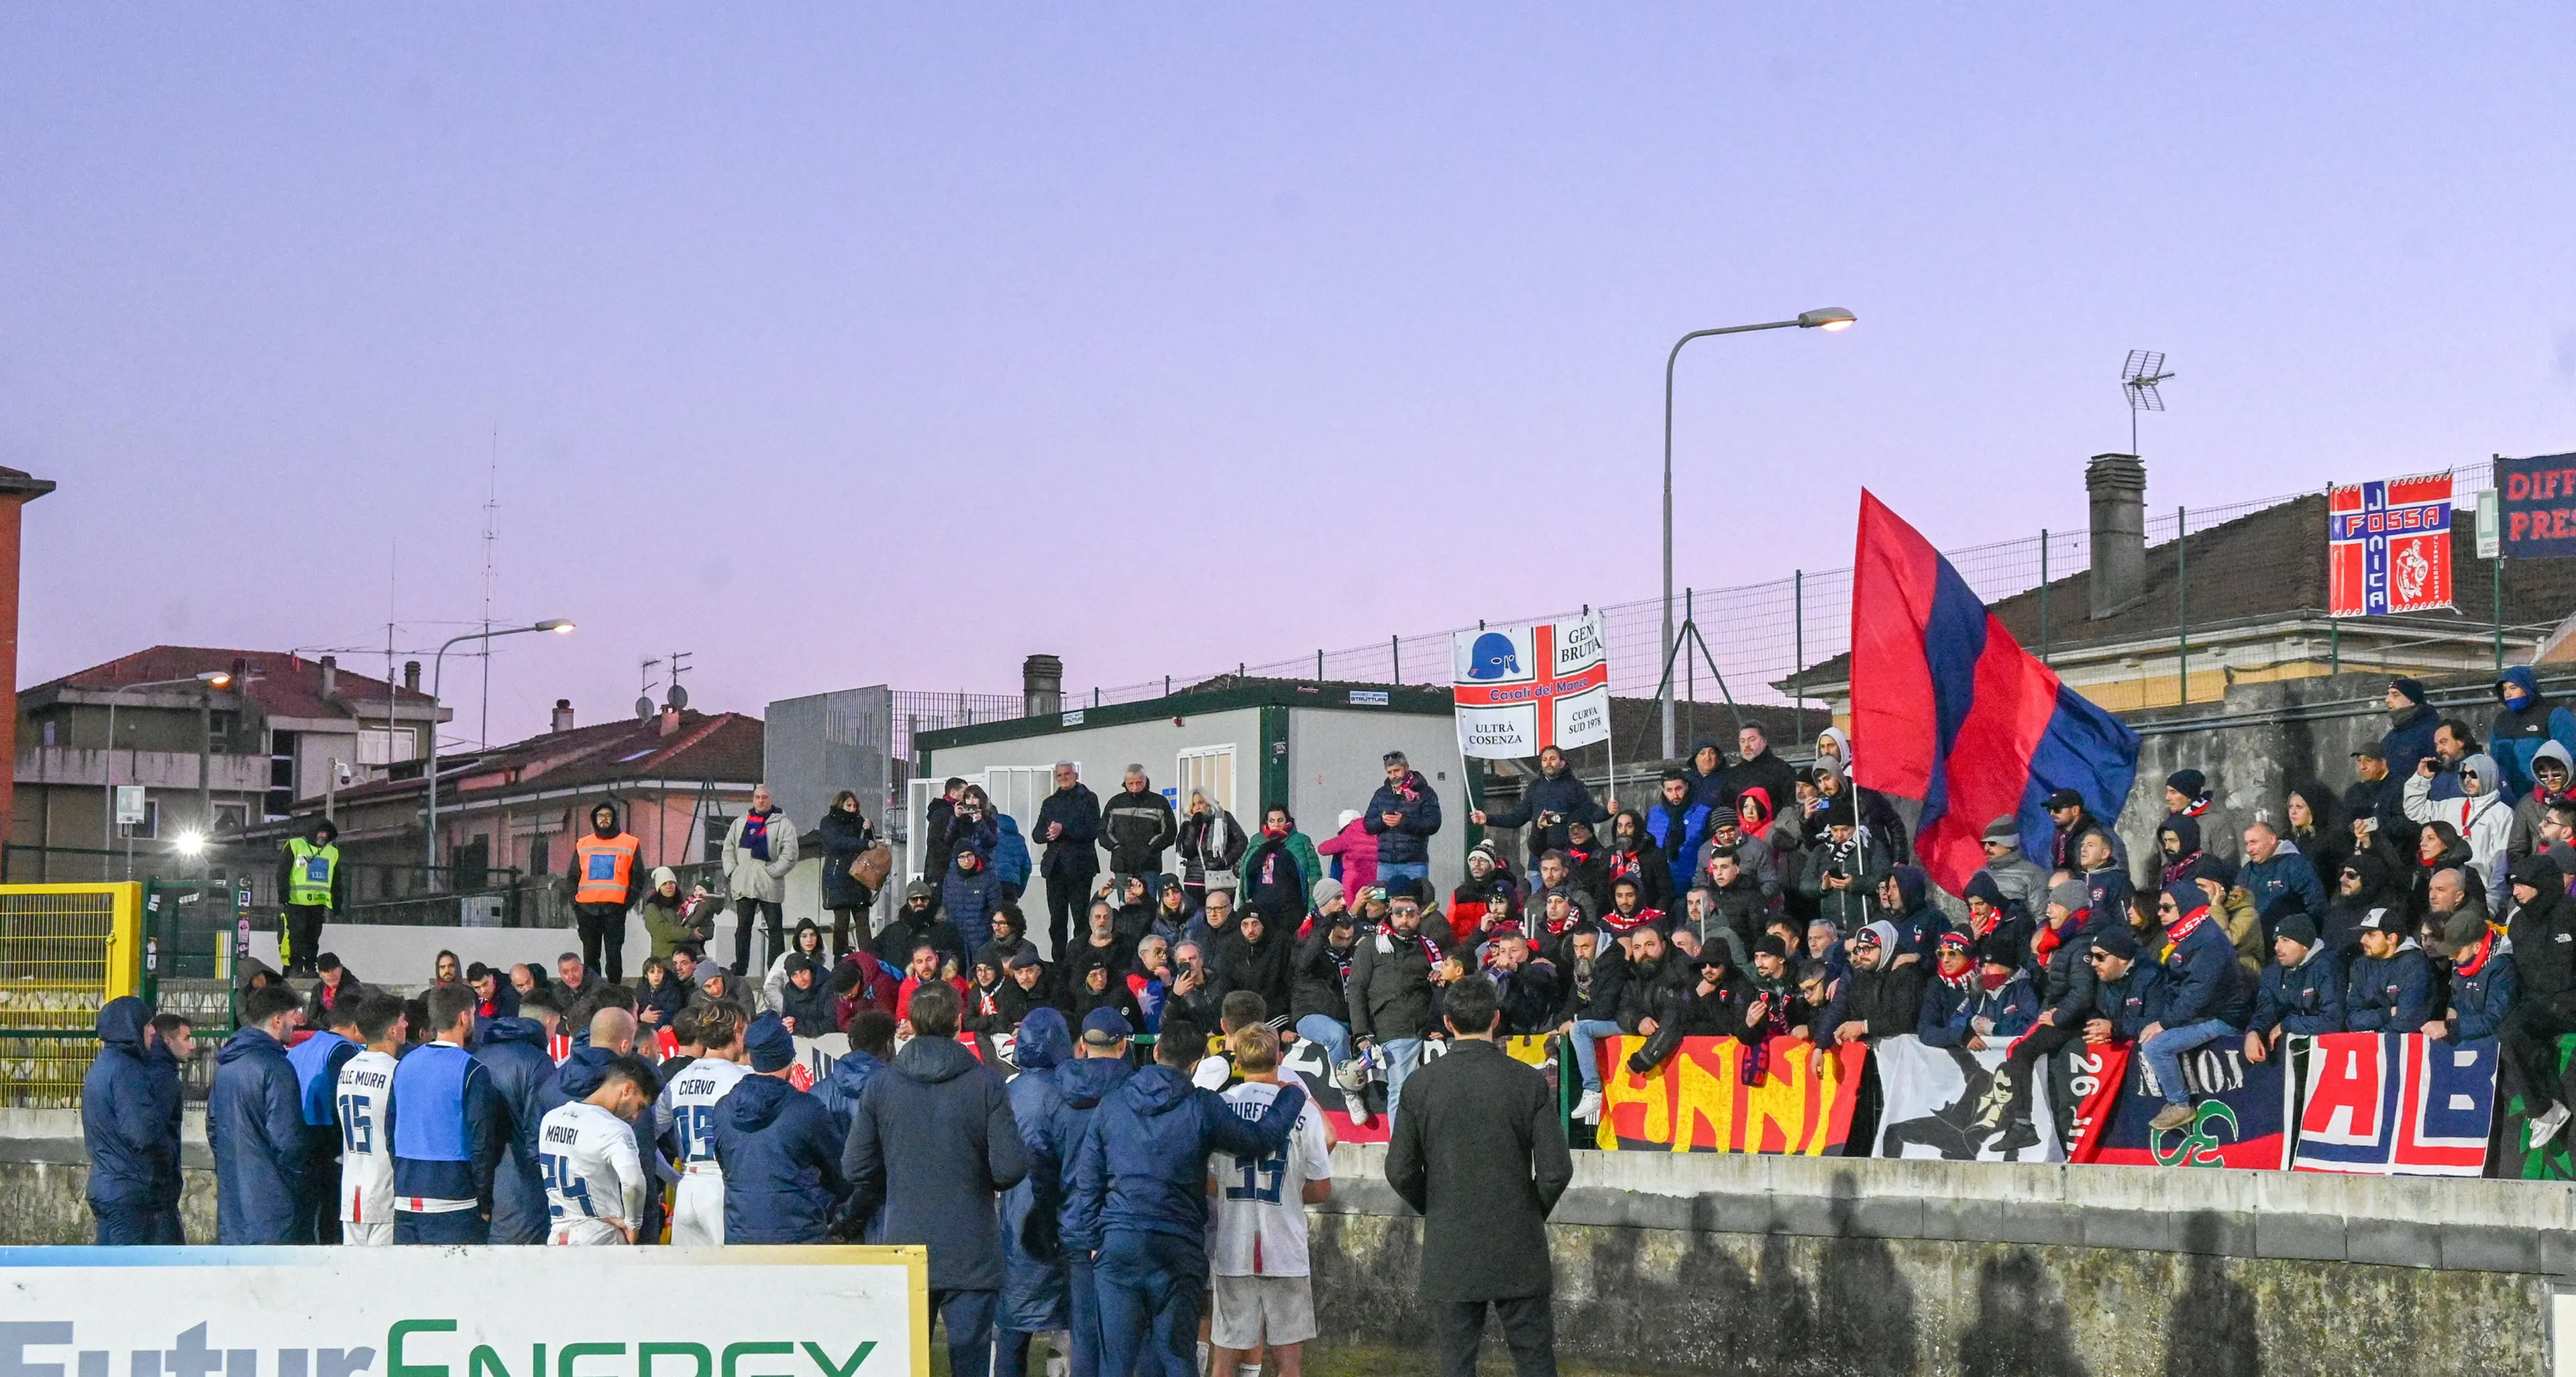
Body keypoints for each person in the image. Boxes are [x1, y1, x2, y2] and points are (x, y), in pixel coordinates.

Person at [1067, 1014, 1310, 1377]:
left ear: (1155, 1052)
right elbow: (1260, 1140)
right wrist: (1291, 1096)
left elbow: (1088, 1179)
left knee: (1115, 1361)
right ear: (1195, 1064)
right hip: (1176, 1243)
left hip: (1121, 1238)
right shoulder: (1202, 1105)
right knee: (1176, 1355)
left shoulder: (1113, 1103)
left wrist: (1090, 1239)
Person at [1385, 975, 1571, 1377]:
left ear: (1448, 1023)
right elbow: (1557, 1171)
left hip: (1451, 1242)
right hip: (1518, 1243)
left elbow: (1399, 1171)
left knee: (1457, 1363)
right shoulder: (1527, 1081)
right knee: (1536, 1360)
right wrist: (1528, 1211)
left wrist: (1435, 1205)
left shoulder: (1420, 1085)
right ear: (1497, 1019)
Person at [843, 981, 1026, 1377]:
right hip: (970, 1246)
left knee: (905, 1364)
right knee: (969, 1363)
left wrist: (899, 1170)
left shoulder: (882, 1084)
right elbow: (1010, 1168)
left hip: (906, 1242)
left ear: (909, 1024)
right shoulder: (985, 1083)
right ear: (959, 1021)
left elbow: (855, 1168)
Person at [1208, 1024, 1334, 1377]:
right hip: (1286, 1246)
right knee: (1288, 1364)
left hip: (1234, 1243)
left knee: (1224, 1362)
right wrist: (1288, 1192)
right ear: (1279, 1057)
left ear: (1237, 1059)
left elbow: (1206, 1180)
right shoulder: (1302, 1112)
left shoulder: (1222, 1106)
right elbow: (1322, 1188)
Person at [1040, 1009, 1138, 1377]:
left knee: (1084, 1331)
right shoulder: (1132, 1091)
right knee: (1129, 1331)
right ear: (1123, 1044)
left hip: (1075, 1219)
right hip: (1120, 1221)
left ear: (1082, 1045)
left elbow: (1045, 1162)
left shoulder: (1058, 1092)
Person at [388, 983, 508, 1244]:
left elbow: (390, 1129)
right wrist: (484, 1202)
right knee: (456, 1283)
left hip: (407, 1195)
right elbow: (482, 1143)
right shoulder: (472, 1070)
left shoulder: (404, 1065)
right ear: (465, 1017)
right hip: (455, 1199)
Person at [711, 1013, 847, 1244]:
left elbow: (727, 1166)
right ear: (790, 1059)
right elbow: (839, 1171)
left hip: (741, 1233)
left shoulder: (723, 1108)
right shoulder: (807, 1108)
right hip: (798, 1234)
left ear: (751, 1058)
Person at [2138, 883, 2255, 1132]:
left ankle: (2180, 1104)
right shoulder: (2185, 935)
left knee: (2156, 1046)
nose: (2159, 913)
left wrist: (2164, 1024)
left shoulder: (2209, 942)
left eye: (2166, 908)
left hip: (2224, 1018)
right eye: (2160, 907)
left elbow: (2197, 994)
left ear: (2186, 908)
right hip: (2202, 1013)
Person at [996, 1009, 1072, 1377]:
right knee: (1074, 1328)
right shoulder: (1073, 1092)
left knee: (1014, 1329)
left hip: (1015, 1225)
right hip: (1066, 1220)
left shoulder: (1004, 1094)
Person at [81, 996, 186, 1245]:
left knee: (112, 1271)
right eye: (147, 1025)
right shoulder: (128, 1070)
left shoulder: (104, 1065)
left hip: (111, 1187)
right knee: (128, 1276)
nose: (153, 1031)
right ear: (131, 1028)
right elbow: (141, 1133)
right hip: (130, 1193)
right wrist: (166, 1149)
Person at [209, 983, 307, 1244]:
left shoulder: (226, 1064)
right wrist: (296, 1179)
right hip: (273, 1203)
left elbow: (213, 1127)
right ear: (277, 1020)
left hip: (233, 1200)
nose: (295, 1023)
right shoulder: (277, 1067)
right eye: (291, 1016)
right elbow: (287, 1141)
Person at [536, 1052, 655, 1244]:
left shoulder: (552, 1118)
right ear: (627, 1089)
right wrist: (633, 1224)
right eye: (640, 1106)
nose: (636, 1116)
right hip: (601, 1237)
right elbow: (633, 1182)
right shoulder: (613, 1128)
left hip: (559, 1235)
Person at [1348, 890, 1444, 1127]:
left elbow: (1446, 986)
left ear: (1420, 916)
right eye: (1399, 913)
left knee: (1437, 1096)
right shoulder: (1372, 946)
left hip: (1429, 1029)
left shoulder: (1429, 947)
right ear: (1390, 915)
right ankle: (1399, 1151)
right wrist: (1361, 1033)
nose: (1405, 918)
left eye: (1411, 913)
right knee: (1401, 1092)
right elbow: (1357, 988)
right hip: (1394, 1028)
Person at [472, 990, 559, 1245]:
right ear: (549, 1022)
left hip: (484, 1186)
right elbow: (538, 1136)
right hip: (523, 1191)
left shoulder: (479, 1056)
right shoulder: (538, 1062)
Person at [659, 1002, 749, 1242]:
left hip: (688, 1184)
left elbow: (645, 1136)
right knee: (731, 1272)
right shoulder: (743, 1079)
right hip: (722, 1186)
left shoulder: (678, 1080)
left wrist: (673, 1178)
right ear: (737, 1031)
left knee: (688, 1276)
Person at [287, 990, 365, 1244]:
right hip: (327, 1148)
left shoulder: (301, 1049)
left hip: (295, 1141)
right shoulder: (344, 1052)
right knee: (330, 1228)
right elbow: (342, 1103)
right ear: (356, 1026)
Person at [328, 993, 405, 1246]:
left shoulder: (346, 1068)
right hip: (384, 1192)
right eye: (403, 1021)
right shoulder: (396, 1071)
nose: (407, 1025)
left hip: (351, 1189)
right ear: (393, 1031)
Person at [2404, 750, 2516, 915]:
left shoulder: (2503, 814)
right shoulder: (2454, 805)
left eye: (2473, 774)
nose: (2467, 780)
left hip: (2480, 894)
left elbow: (2501, 864)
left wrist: (2492, 906)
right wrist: (2422, 779)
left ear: (2488, 775)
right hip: (2449, 888)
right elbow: (2416, 810)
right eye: (2463, 774)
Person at [2243, 916, 2345, 1064]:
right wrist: (2254, 1032)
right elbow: (2267, 1009)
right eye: (2277, 940)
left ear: (2305, 945)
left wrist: (2287, 1025)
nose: (2278, 947)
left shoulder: (2328, 968)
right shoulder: (2274, 971)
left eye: (2286, 940)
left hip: (2328, 1059)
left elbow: (2333, 1021)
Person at [724, 783, 800, 975]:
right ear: (753, 799)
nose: (761, 801)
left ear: (771, 800)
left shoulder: (783, 823)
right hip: (744, 882)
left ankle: (775, 970)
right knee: (743, 929)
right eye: (758, 797)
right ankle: (740, 969)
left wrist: (773, 871)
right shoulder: (741, 822)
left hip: (769, 884)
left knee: (775, 929)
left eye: (765, 797)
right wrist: (733, 872)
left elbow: (790, 853)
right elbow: (728, 848)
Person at [568, 799, 646, 984]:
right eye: (600, 816)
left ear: (615, 819)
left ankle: (614, 991)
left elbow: (639, 876)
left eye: (608, 816)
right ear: (594, 819)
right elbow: (572, 877)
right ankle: (593, 992)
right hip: (587, 910)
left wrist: (626, 903)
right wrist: (576, 904)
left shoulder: (630, 843)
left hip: (615, 910)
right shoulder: (583, 844)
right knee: (590, 956)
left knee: (614, 955)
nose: (604, 819)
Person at [1035, 762, 1106, 958]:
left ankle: (1081, 960)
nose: (1063, 778)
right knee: (1057, 921)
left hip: (1080, 867)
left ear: (1075, 774)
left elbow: (1092, 831)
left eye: (1067, 774)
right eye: (1059, 775)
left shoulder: (1089, 799)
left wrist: (1063, 830)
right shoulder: (1050, 802)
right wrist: (1049, 833)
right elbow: (1036, 834)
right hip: (1055, 869)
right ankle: (1059, 965)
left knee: (1081, 919)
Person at [1364, 751, 1443, 896]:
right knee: (1381, 902)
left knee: (1417, 900)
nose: (1394, 776)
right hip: (1385, 864)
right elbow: (1368, 825)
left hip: (1414, 863)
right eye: (1390, 772)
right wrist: (1382, 822)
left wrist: (1404, 822)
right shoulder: (1381, 794)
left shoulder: (1425, 793)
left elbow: (1434, 823)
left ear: (1407, 768)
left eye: (1397, 771)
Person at [2343, 907, 2432, 1036]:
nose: (2363, 940)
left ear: (2391, 939)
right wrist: (2388, 1013)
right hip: (2368, 1045)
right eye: (2364, 934)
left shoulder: (2414, 964)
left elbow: (2408, 1019)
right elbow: (2352, 1019)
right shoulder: (2361, 965)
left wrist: (2374, 1035)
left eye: (2371, 934)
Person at [276, 818, 345, 977]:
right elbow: (283, 872)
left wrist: (337, 904)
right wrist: (283, 895)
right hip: (296, 901)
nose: (323, 836)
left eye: (326, 834)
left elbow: (336, 881)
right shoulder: (295, 846)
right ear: (313, 833)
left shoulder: (332, 853)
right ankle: (295, 966)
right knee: (296, 935)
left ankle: (310, 966)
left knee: (313, 936)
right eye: (320, 833)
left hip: (318, 902)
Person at [1238, 806, 1322, 930]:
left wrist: (1311, 910)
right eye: (1272, 821)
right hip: (1261, 909)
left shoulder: (1300, 841)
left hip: (1291, 911)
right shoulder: (1257, 841)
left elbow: (1314, 876)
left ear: (1287, 821)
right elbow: (1246, 874)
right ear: (1266, 822)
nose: (1276, 825)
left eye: (1280, 820)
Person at [1104, 765, 1181, 894]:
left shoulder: (1159, 802)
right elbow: (1104, 831)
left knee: (1149, 906)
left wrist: (1150, 848)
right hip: (1122, 866)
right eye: (1131, 783)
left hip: (1149, 866)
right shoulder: (1115, 803)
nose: (1135, 786)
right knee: (1125, 906)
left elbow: (1170, 832)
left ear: (1146, 780)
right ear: (1125, 783)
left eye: (1139, 783)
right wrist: (1117, 848)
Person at [1177, 787, 1248, 912]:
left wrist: (1224, 860)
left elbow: (1242, 841)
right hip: (1195, 881)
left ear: (1209, 804)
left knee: (1221, 915)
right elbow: (1186, 851)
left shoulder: (1224, 818)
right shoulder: (1188, 825)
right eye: (1193, 805)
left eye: (1201, 803)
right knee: (1198, 920)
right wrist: (1194, 827)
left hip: (1220, 879)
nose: (1197, 807)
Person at [877, 881, 969, 974]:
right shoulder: (893, 930)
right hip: (898, 985)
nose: (919, 902)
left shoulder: (945, 930)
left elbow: (959, 957)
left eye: (923, 899)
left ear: (930, 901)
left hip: (933, 985)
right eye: (914, 899)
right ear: (908, 902)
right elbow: (872, 954)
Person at [944, 846, 1012, 957]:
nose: (967, 861)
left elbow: (996, 909)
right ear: (956, 859)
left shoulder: (988, 877)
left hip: (982, 939)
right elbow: (946, 907)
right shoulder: (950, 878)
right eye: (962, 857)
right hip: (956, 939)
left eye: (970, 856)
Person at [2163, 771, 2237, 867]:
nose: (2167, 797)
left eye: (2173, 792)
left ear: (2189, 796)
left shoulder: (2217, 822)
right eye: (2167, 792)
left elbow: (2229, 864)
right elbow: (2157, 859)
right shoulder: (2168, 819)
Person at [1316, 808, 1381, 902]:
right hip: (1376, 883)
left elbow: (1322, 849)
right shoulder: (1381, 832)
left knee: (1353, 913)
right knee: (1375, 910)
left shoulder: (1351, 832)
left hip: (1353, 884)